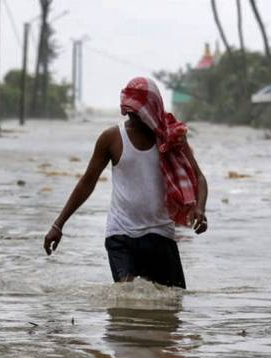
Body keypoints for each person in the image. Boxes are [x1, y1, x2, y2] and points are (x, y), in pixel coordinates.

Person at [42, 77, 208, 289]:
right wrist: (58, 225)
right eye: (129, 110)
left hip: (160, 234)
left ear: (153, 109)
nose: (134, 116)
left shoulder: (171, 139)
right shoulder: (111, 138)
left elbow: (199, 178)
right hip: (120, 236)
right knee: (127, 301)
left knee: (172, 305)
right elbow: (87, 182)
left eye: (138, 111)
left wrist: (200, 209)